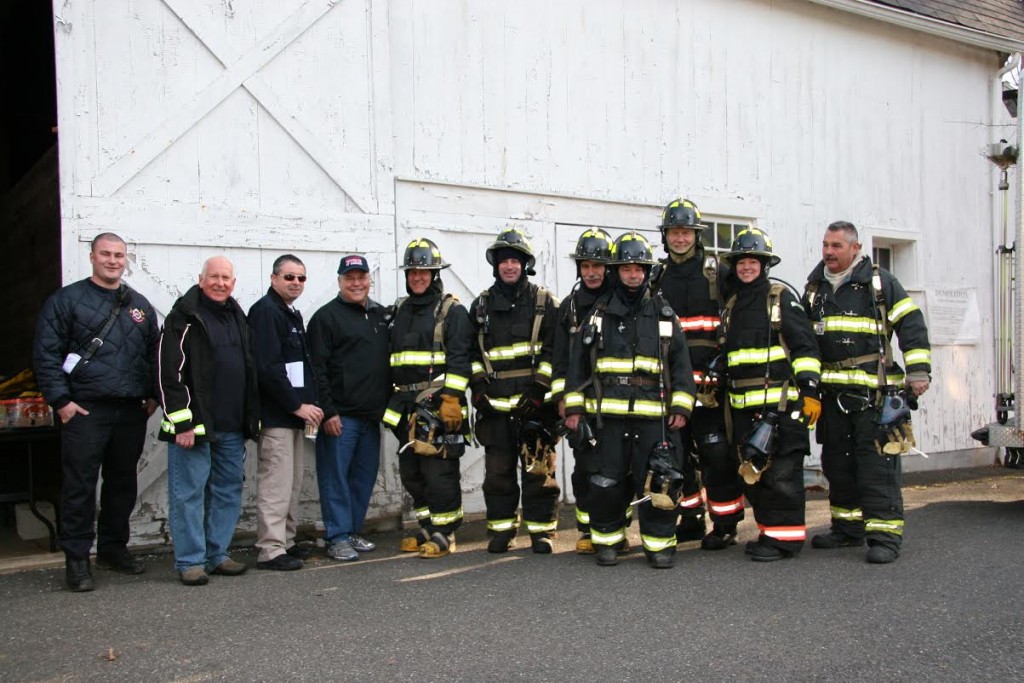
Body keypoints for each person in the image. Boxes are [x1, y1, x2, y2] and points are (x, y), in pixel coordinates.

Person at [33, 232, 160, 592]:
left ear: (125, 259)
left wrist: (153, 395)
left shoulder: (139, 305)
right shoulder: (66, 300)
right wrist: (60, 401)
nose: (112, 261)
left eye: (119, 255)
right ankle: (76, 560)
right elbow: (46, 353)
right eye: (106, 254)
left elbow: (155, 354)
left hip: (130, 411)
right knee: (80, 486)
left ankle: (112, 550)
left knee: (122, 484)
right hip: (85, 410)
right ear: (92, 257)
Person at [564, 231, 697, 569]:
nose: (633, 275)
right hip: (608, 418)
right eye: (626, 269)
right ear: (617, 271)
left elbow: (681, 366)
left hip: (654, 418)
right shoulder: (598, 314)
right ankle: (607, 541)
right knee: (606, 483)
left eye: (639, 269)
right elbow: (578, 366)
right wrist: (575, 408)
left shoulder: (664, 314)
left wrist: (681, 406)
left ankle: (659, 545)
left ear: (647, 271)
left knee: (659, 481)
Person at [803, 221, 931, 564]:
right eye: (826, 245)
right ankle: (847, 529)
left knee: (877, 467)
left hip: (873, 396)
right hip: (832, 397)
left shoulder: (879, 284)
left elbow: (911, 324)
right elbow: (803, 341)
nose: (829, 252)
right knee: (838, 466)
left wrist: (918, 370)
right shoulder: (814, 288)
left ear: (855, 248)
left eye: (837, 246)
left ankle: (885, 537)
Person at [717, 228, 821, 562]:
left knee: (782, 477)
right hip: (743, 409)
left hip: (780, 406)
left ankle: (784, 541)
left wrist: (810, 390)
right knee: (754, 476)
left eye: (753, 261)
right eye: (741, 262)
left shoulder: (779, 298)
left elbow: (805, 347)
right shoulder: (733, 304)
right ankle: (769, 533)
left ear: (764, 265)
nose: (747, 267)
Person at [158, 256, 260, 586]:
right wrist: (182, 422)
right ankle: (190, 561)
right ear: (201, 280)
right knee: (188, 495)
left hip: (231, 425)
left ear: (233, 283)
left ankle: (217, 555)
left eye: (226, 278)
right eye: (214, 277)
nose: (220, 283)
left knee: (228, 491)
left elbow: (248, 369)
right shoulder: (183, 317)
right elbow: (168, 373)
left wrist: (250, 419)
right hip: (195, 427)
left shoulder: (237, 315)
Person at [469, 228, 560, 554]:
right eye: (504, 261)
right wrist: (478, 387)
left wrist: (539, 389)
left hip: (534, 405)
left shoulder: (544, 302)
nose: (509, 266)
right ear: (496, 265)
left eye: (515, 261)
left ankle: (541, 532)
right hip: (495, 407)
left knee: (539, 471)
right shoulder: (480, 305)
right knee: (498, 475)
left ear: (525, 264)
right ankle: (502, 532)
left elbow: (555, 350)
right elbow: (472, 353)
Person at [384, 238, 473, 558]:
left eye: (424, 272)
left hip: (438, 407)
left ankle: (445, 533)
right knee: (412, 473)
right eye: (412, 272)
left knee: (439, 474)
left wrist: (452, 399)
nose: (417, 277)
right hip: (405, 408)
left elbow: (461, 360)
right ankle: (427, 526)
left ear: (435, 274)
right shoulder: (399, 310)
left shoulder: (452, 311)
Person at [650, 198, 732, 548]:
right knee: (678, 457)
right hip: (672, 387)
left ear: (697, 235)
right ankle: (691, 517)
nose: (680, 238)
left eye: (686, 232)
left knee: (716, 457)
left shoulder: (718, 272)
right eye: (674, 232)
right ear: (665, 236)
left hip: (711, 387)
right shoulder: (656, 276)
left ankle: (726, 524)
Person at [307, 254, 390, 561]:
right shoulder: (326, 318)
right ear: (340, 281)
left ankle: (352, 531)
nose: (356, 283)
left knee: (362, 479)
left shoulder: (381, 315)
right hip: (341, 418)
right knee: (335, 479)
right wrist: (328, 412)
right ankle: (337, 537)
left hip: (371, 417)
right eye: (349, 278)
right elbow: (317, 369)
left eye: (361, 277)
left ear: (369, 279)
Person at [248, 255, 323, 571]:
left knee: (291, 483)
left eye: (301, 278)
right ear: (273, 278)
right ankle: (270, 550)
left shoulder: (290, 313)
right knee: (276, 485)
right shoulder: (266, 313)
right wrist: (296, 405)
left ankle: (286, 542)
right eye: (289, 276)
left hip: (294, 417)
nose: (295, 283)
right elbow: (269, 368)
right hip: (277, 416)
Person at [550, 227, 615, 554]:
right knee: (585, 469)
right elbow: (559, 358)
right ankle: (587, 529)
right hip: (582, 403)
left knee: (616, 469)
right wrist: (563, 399)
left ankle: (614, 529)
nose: (591, 272)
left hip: (617, 401)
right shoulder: (570, 307)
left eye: (597, 265)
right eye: (585, 266)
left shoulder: (620, 301)